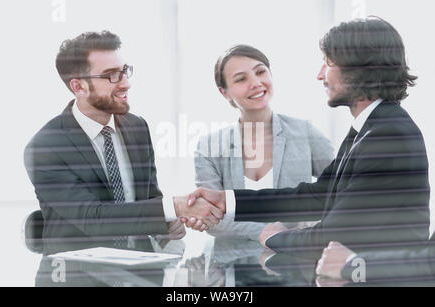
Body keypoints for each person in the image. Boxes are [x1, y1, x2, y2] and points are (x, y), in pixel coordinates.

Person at [187, 17, 430, 256]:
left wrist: (273, 237)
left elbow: (334, 236)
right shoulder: (369, 127)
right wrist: (226, 200)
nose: (320, 74)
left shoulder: (387, 135)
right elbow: (316, 196)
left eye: (328, 63)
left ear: (359, 69)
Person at [24, 31, 223, 240]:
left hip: (141, 266)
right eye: (111, 75)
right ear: (79, 86)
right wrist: (174, 207)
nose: (126, 83)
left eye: (124, 71)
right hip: (78, 268)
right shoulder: (45, 148)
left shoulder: (136, 127)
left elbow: (150, 198)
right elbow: (93, 219)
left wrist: (170, 222)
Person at [194, 45, 334, 240]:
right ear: (224, 93)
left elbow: (339, 192)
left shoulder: (305, 133)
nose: (256, 83)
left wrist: (307, 227)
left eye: (260, 72)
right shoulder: (208, 146)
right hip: (232, 261)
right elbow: (209, 215)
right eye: (241, 79)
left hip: (295, 258)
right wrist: (269, 233)